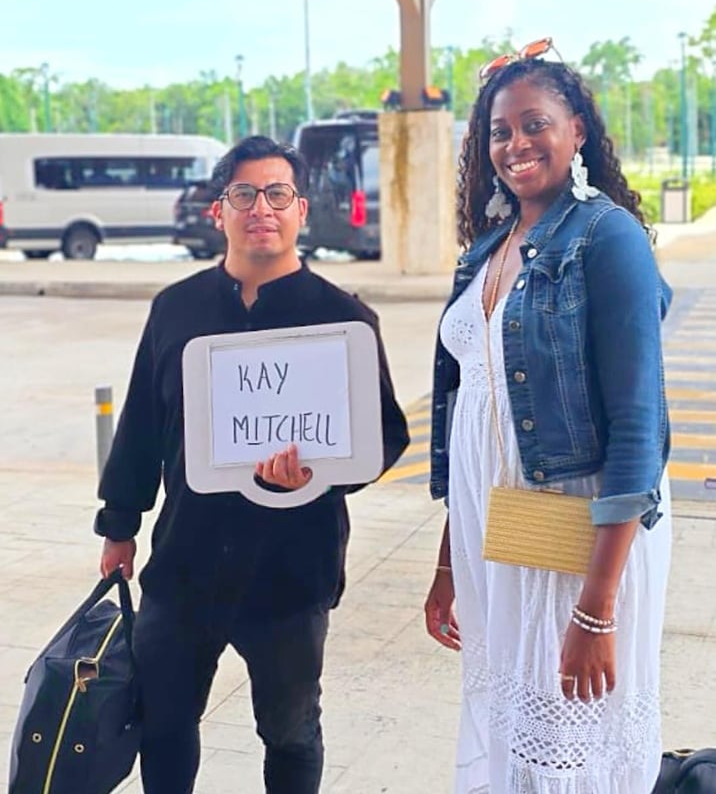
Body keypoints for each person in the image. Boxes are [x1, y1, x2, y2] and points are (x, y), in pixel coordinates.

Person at [96, 135, 408, 794]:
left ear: (300, 211)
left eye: (277, 193)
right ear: (220, 210)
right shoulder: (175, 309)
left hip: (291, 572)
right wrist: (119, 523)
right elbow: (143, 425)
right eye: (243, 193)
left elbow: (383, 436)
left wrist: (323, 472)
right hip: (185, 561)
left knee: (291, 732)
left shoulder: (342, 318)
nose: (260, 207)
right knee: (164, 722)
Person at [424, 40, 672, 793]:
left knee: (572, 744)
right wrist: (446, 564)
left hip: (579, 537)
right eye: (499, 131)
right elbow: (480, 411)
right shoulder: (489, 250)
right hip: (497, 532)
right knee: (515, 739)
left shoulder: (608, 237)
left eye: (535, 124)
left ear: (577, 132)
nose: (515, 144)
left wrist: (597, 612)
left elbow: (639, 429)